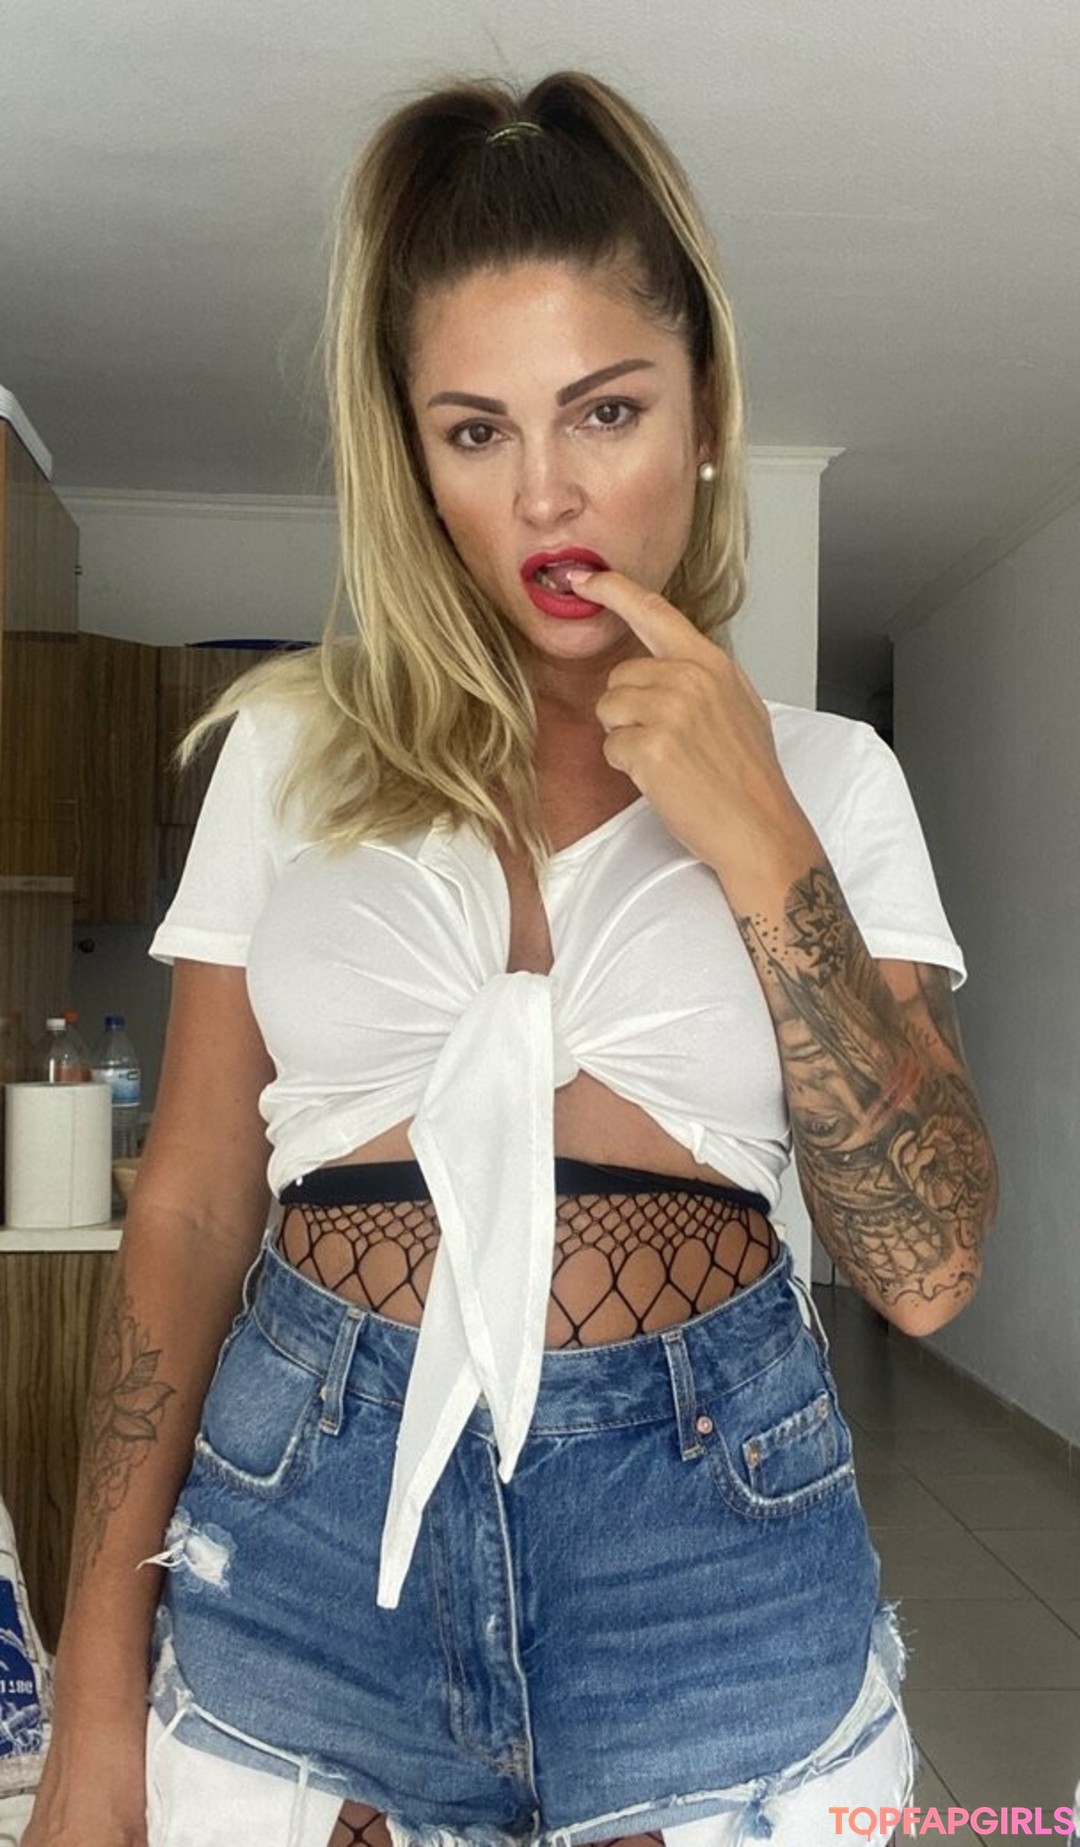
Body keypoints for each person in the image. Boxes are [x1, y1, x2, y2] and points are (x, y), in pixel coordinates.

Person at [26, 69, 998, 1847]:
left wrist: (756, 828)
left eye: (605, 410)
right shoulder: (290, 756)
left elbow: (925, 1268)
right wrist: (95, 1696)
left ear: (702, 414)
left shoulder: (835, 779)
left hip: (712, 1562)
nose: (549, 495)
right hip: (305, 1537)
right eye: (476, 432)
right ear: (415, 460)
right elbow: (190, 1210)